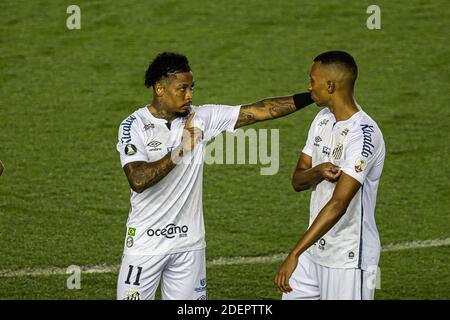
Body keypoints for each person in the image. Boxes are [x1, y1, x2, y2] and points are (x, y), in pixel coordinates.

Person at [116, 52, 313, 300]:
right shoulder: (133, 125)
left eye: (191, 88)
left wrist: (313, 97)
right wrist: (183, 146)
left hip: (189, 245)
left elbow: (260, 111)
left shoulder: (201, 117)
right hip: (145, 246)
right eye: (182, 88)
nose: (189, 95)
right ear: (159, 89)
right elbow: (139, 180)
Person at [274, 51, 385, 300]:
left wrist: (293, 254)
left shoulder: (364, 135)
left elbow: (338, 204)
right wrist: (318, 170)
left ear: (331, 85)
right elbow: (298, 180)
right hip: (314, 250)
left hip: (348, 258)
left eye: (313, 80)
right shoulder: (322, 120)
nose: (309, 86)